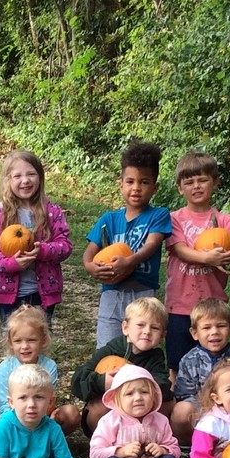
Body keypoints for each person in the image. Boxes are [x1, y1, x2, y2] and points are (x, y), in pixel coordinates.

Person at [164, 151, 230, 382]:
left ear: (215, 182)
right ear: (180, 188)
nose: (196, 186)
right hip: (180, 304)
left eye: (202, 180)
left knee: (215, 357)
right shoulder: (175, 218)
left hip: (212, 304)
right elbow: (180, 249)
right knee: (177, 359)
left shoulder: (224, 220)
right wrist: (208, 258)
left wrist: (229, 255)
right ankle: (177, 405)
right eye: (189, 182)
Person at [83, 140, 171, 349]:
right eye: (130, 181)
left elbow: (152, 244)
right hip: (112, 293)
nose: (136, 188)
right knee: (108, 347)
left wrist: (130, 262)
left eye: (144, 182)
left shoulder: (158, 215)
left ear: (155, 187)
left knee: (141, 347)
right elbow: (89, 252)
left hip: (143, 294)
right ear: (120, 184)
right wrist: (90, 267)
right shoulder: (109, 219)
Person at [0, 151, 72, 324]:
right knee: (14, 339)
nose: (25, 180)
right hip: (10, 292)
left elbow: (65, 245)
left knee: (40, 338)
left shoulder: (52, 212)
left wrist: (42, 251)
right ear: (8, 180)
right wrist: (11, 264)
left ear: (40, 177)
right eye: (17, 176)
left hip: (43, 293)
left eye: (31, 174)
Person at [71, 297, 173, 437]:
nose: (147, 331)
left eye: (154, 328)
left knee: (169, 403)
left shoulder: (156, 358)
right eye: (140, 325)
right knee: (99, 408)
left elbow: (163, 387)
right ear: (125, 328)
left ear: (162, 335)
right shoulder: (112, 350)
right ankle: (103, 443)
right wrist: (102, 382)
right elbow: (78, 380)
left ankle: (146, 440)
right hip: (109, 413)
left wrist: (139, 383)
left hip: (137, 412)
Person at [171, 299, 230, 445]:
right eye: (207, 328)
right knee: (181, 411)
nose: (214, 332)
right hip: (201, 410)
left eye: (221, 326)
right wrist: (210, 411)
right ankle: (185, 448)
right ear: (194, 333)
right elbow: (183, 395)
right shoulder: (189, 360)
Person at [0, 305, 80, 436]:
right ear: (10, 342)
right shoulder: (3, 369)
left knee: (70, 413)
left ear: (43, 340)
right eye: (18, 341)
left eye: (31, 340)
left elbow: (48, 400)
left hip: (41, 414)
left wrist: (43, 419)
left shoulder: (49, 366)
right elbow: (4, 405)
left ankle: (49, 443)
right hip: (11, 417)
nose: (25, 346)